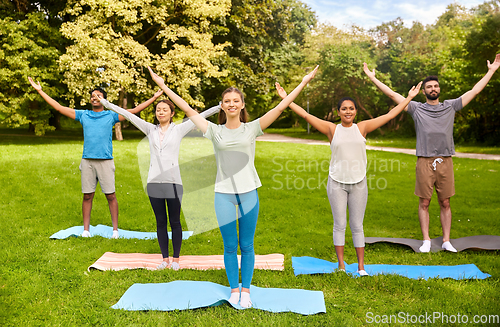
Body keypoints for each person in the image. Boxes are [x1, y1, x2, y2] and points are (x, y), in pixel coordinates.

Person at [148, 65, 318, 307]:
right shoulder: (214, 131)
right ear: (222, 105)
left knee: (247, 245)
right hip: (224, 195)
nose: (231, 104)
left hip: (249, 192)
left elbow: (280, 107)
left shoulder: (253, 128)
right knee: (229, 246)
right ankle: (233, 288)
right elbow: (186, 108)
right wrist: (163, 86)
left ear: (242, 105)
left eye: (235, 100)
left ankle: (246, 290)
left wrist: (302, 82)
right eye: (227, 101)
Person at [275, 80, 422, 275]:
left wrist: (410, 98)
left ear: (355, 111)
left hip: (359, 183)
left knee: (357, 225)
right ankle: (341, 265)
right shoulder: (331, 129)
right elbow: (305, 114)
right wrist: (286, 99)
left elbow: (390, 114)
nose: (348, 112)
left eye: (351, 108)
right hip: (336, 182)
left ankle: (361, 267)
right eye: (344, 109)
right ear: (338, 112)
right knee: (340, 225)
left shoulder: (362, 128)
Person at [363, 53, 500, 253]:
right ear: (424, 91)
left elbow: (475, 91)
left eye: (435, 86)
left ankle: (446, 240)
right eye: (429, 87)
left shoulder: (450, 106)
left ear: (439, 89)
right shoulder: (416, 108)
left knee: (445, 201)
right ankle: (426, 240)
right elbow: (393, 95)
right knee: (424, 201)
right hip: (424, 161)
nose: (433, 89)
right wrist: (373, 78)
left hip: (445, 161)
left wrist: (492, 71)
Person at [28, 77, 162, 238]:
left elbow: (133, 112)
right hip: (87, 161)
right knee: (87, 195)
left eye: (98, 95)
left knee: (111, 195)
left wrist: (154, 98)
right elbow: (58, 107)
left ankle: (115, 230)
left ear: (104, 99)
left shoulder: (111, 116)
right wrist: (40, 90)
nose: (94, 97)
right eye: (92, 95)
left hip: (106, 161)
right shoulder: (83, 115)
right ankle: (86, 230)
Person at [98, 95, 219, 270]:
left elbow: (198, 117)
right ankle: (165, 259)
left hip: (173, 183)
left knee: (175, 222)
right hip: (154, 183)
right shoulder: (150, 130)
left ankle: (176, 259)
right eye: (158, 110)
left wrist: (218, 107)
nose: (160, 112)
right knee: (160, 222)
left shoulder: (179, 129)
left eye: (164, 110)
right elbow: (129, 115)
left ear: (171, 113)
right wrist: (106, 103)